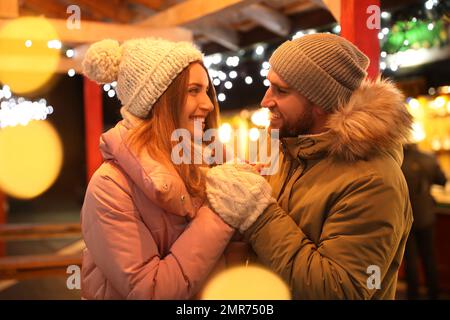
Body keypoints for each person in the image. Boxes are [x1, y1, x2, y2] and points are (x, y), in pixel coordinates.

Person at [205, 33, 414, 299]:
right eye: (269, 87)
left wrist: (259, 213)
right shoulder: (289, 150)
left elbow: (340, 289)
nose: (266, 100)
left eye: (281, 90)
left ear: (320, 103)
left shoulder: (374, 181)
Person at [80, 38, 245, 300]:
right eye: (193, 90)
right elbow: (150, 291)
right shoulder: (110, 186)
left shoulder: (206, 167)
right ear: (158, 100)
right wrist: (221, 211)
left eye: (206, 91)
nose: (208, 104)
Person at [401, 143, 447, 299]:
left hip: (405, 217)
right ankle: (433, 293)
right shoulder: (429, 158)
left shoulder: (398, 161)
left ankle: (412, 295)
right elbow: (442, 180)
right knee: (429, 257)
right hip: (426, 215)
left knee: (410, 260)